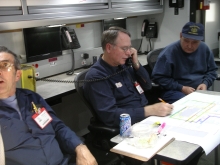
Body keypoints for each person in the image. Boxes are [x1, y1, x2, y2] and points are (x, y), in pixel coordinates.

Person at [0, 46, 98, 165]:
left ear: (17, 75)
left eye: (5, 66)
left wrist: (79, 147)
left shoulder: (32, 98)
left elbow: (57, 127)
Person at [83, 27, 173, 127]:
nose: (129, 53)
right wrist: (149, 110)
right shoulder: (97, 76)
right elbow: (110, 116)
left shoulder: (123, 65)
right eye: (124, 48)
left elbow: (148, 86)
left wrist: (135, 64)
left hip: (145, 117)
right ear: (108, 48)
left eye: (130, 48)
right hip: (127, 126)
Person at [152, 22, 218, 104]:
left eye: (195, 42)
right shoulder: (169, 53)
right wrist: (181, 88)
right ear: (180, 36)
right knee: (190, 104)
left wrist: (205, 83)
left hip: (200, 90)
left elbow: (212, 71)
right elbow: (158, 77)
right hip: (175, 91)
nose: (189, 46)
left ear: (200, 40)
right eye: (186, 41)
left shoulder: (205, 49)